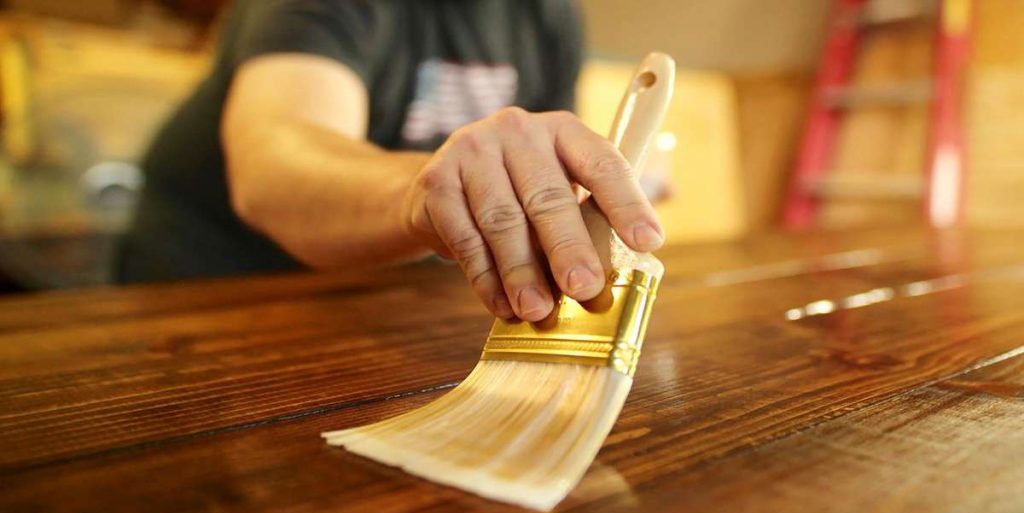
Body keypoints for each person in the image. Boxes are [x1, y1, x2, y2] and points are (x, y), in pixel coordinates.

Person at [116, 0, 665, 323]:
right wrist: (424, 192)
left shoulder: (549, 15)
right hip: (210, 307)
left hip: (383, 313)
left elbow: (538, 171)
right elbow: (274, 161)